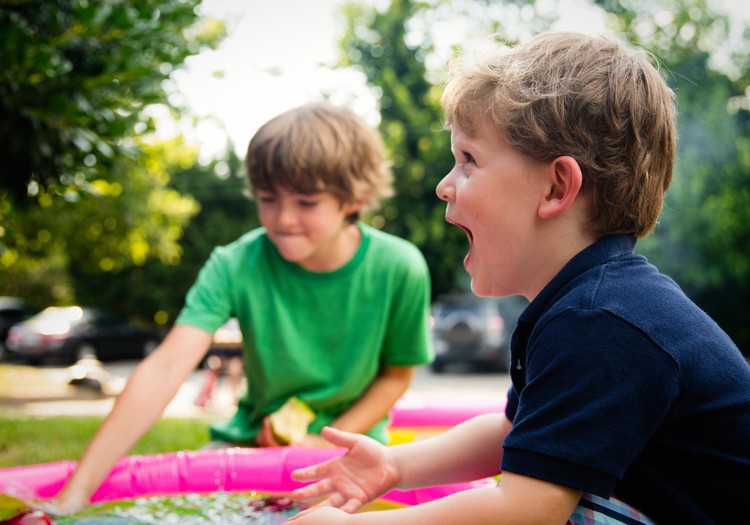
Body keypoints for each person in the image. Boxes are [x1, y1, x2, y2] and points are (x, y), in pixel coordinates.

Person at [284, 32, 750, 525]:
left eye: (468, 160)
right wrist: (395, 465)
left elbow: (528, 510)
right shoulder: (584, 305)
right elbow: (513, 431)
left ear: (555, 187)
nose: (444, 186)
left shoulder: (603, 322)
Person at [51, 102, 434, 514]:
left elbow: (395, 377)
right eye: (268, 199)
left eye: (306, 202)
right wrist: (75, 493)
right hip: (249, 445)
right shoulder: (234, 263)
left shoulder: (400, 267)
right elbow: (164, 370)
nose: (284, 219)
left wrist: (325, 440)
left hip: (351, 450)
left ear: (353, 198)